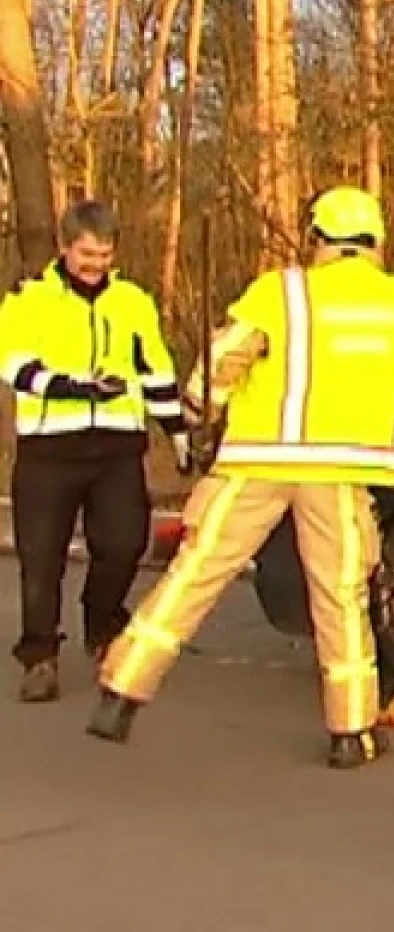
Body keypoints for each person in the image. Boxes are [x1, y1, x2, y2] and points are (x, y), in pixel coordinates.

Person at [85, 186, 394, 769]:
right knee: (340, 597)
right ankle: (352, 732)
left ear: (318, 238)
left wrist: (197, 408)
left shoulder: (283, 293)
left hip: (258, 463)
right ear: (375, 241)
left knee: (194, 575)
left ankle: (120, 694)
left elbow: (227, 356)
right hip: (337, 471)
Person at [0, 200, 192, 704]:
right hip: (49, 450)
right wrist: (73, 387)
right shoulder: (28, 300)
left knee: (126, 544)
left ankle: (102, 618)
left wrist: (177, 433)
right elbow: (14, 365)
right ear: (65, 248)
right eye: (87, 255)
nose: (96, 265)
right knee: (40, 560)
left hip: (116, 447)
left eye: (105, 255)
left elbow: (155, 371)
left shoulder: (133, 302)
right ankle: (39, 656)